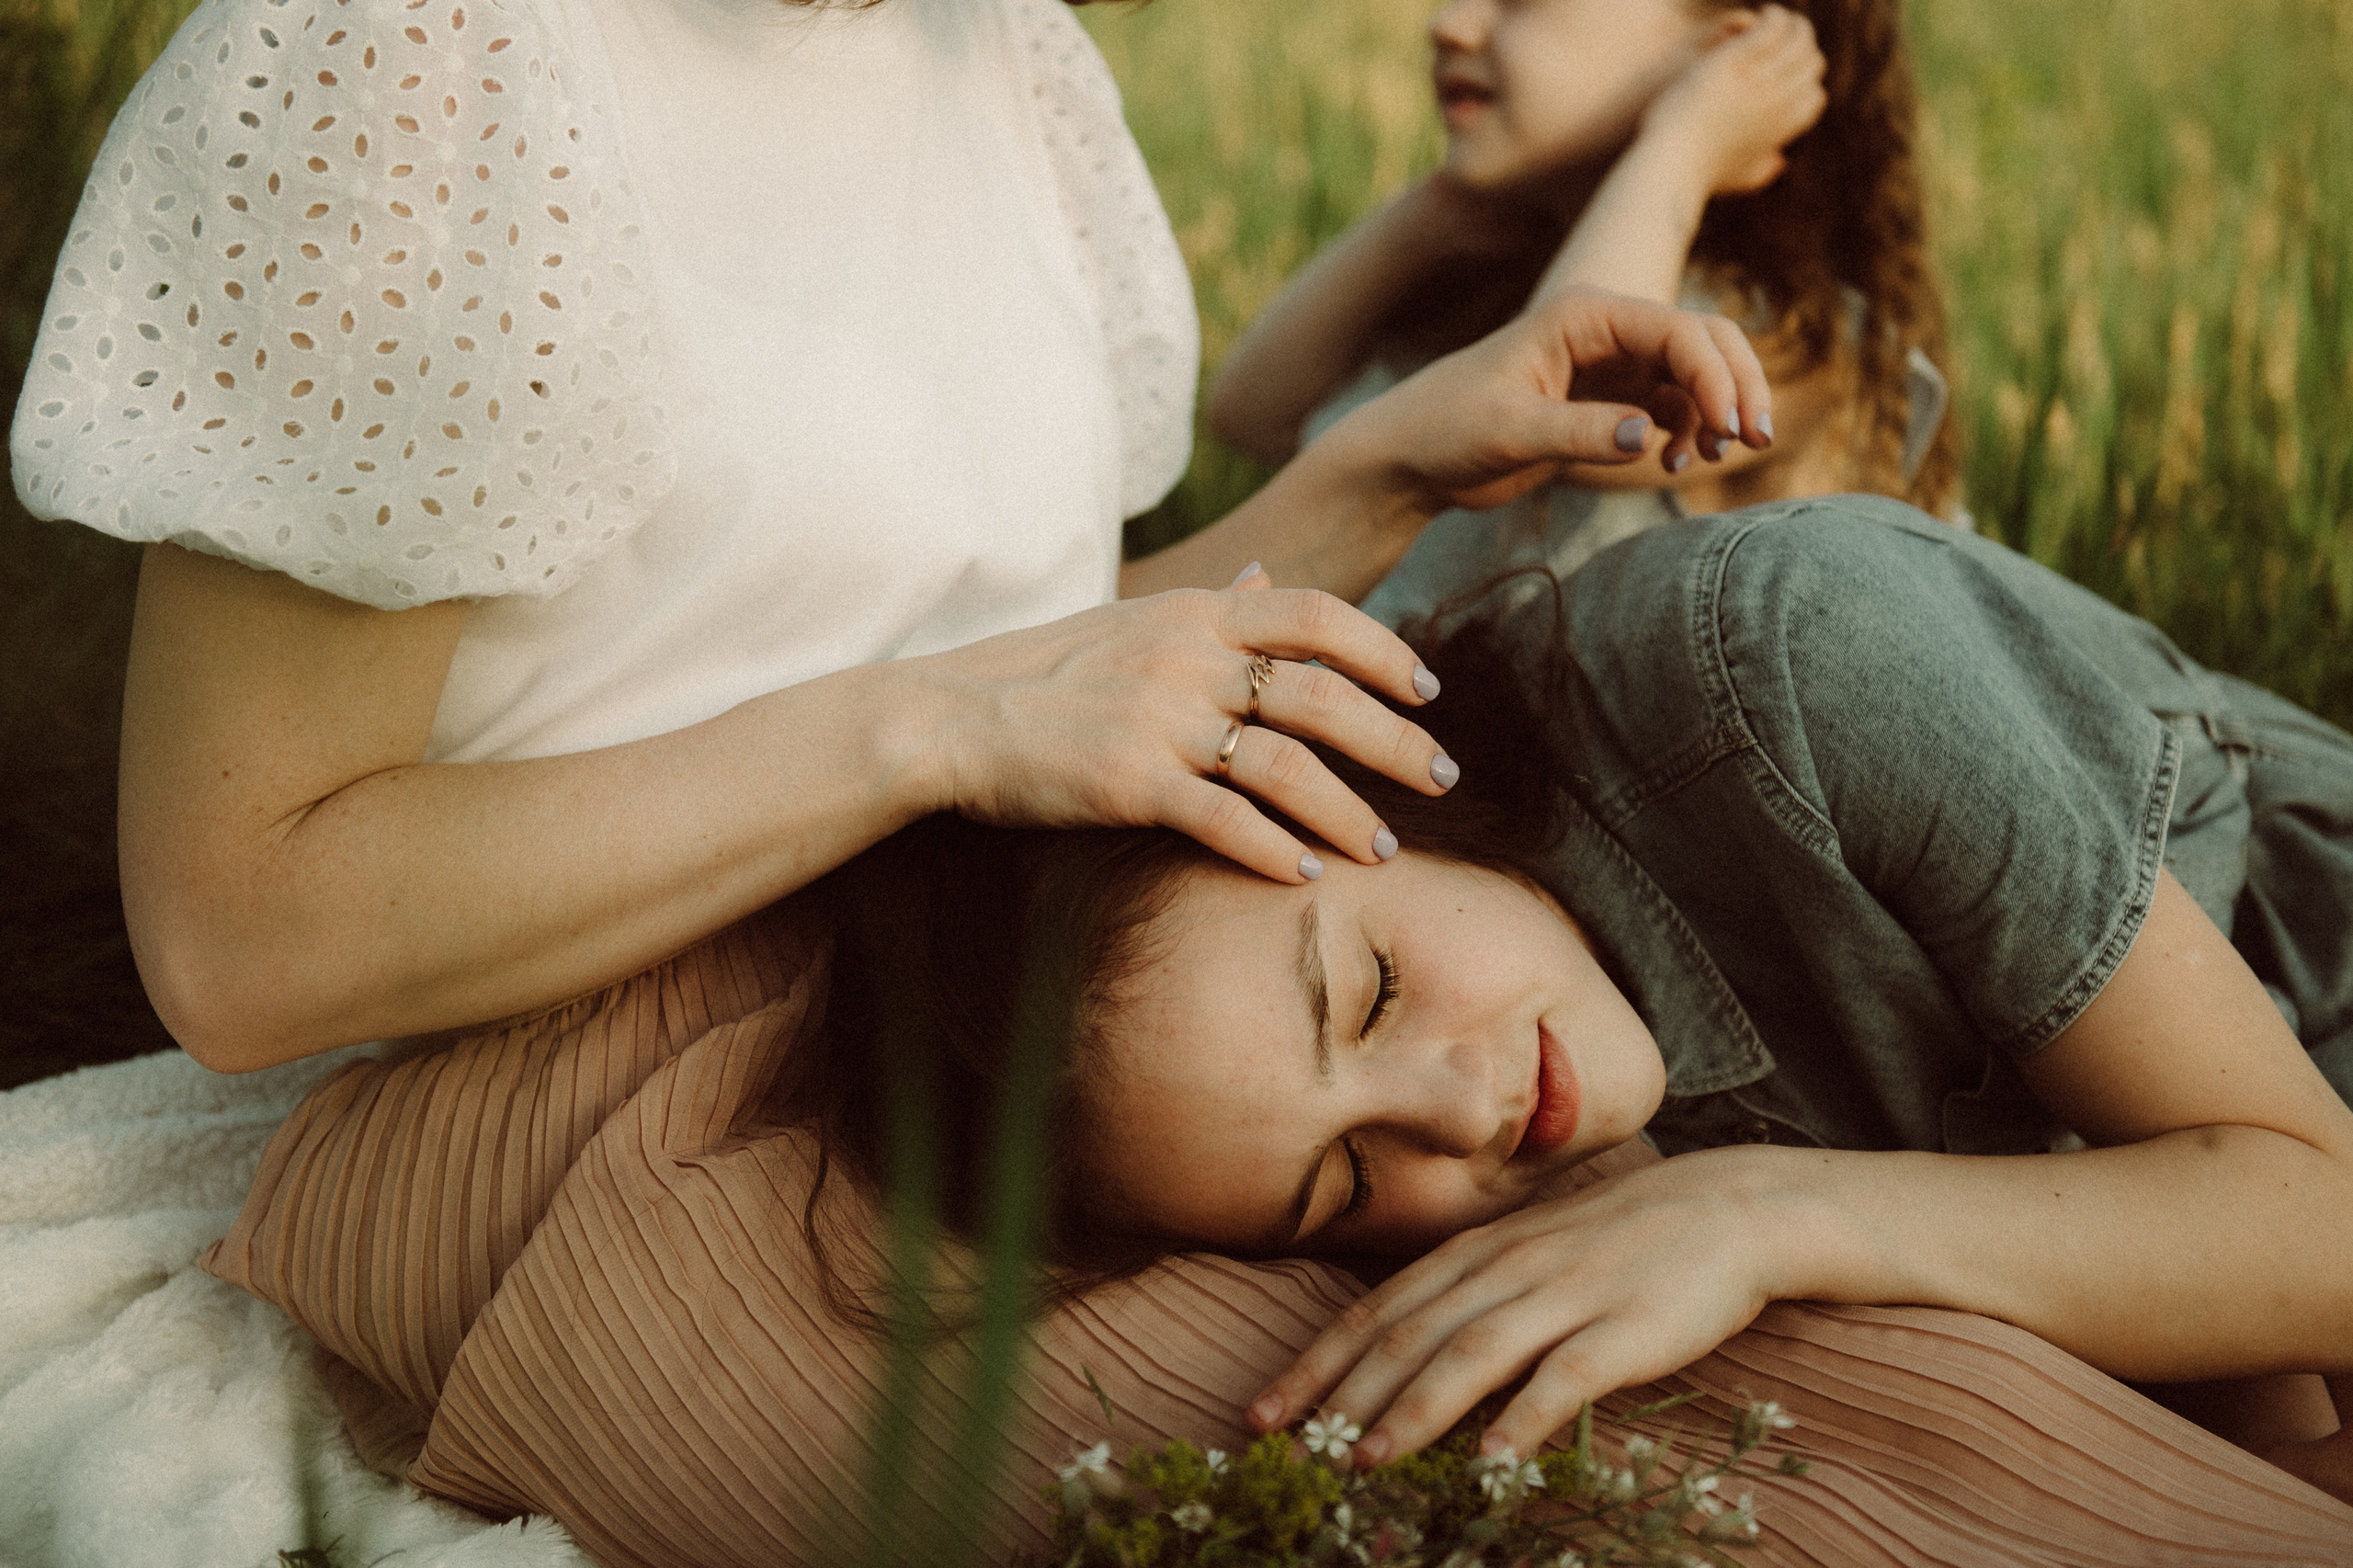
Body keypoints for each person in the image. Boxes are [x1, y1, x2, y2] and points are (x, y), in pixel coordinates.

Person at [6, 0, 1770, 1077]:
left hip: (959, 1045)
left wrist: (1381, 473)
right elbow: (243, 940)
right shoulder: (421, 56)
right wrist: (921, 735)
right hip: (572, 1115)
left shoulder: (1001, 51)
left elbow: (1026, 666)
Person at [792, 494, 2353, 1513]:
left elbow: (2319, 1229)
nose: (1464, 1111)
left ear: (1360, 775)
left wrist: (1768, 1214)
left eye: (1377, 987)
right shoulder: (1498, 1114)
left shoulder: (1790, 654)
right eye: (1344, 1181)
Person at [1207, 0, 1962, 630]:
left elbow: (1557, 412)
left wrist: (1683, 142)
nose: (1451, 23)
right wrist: (1428, 216)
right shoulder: (1507, 281)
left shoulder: (1794, 335)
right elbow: (1251, 415)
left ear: (1727, 50)